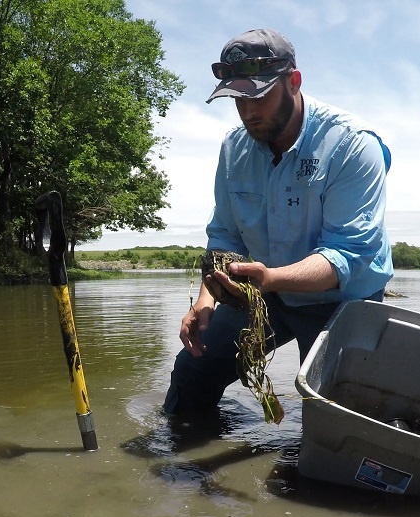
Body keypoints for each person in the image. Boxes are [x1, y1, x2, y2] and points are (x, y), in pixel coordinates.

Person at [163, 27, 394, 416]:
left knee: (334, 413)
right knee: (193, 369)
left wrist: (270, 278)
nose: (248, 111)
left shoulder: (353, 145)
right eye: (237, 98)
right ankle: (184, 467)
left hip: (342, 301)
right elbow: (224, 234)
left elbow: (348, 254)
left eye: (259, 96)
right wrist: (206, 301)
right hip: (265, 291)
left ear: (293, 82)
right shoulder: (234, 148)